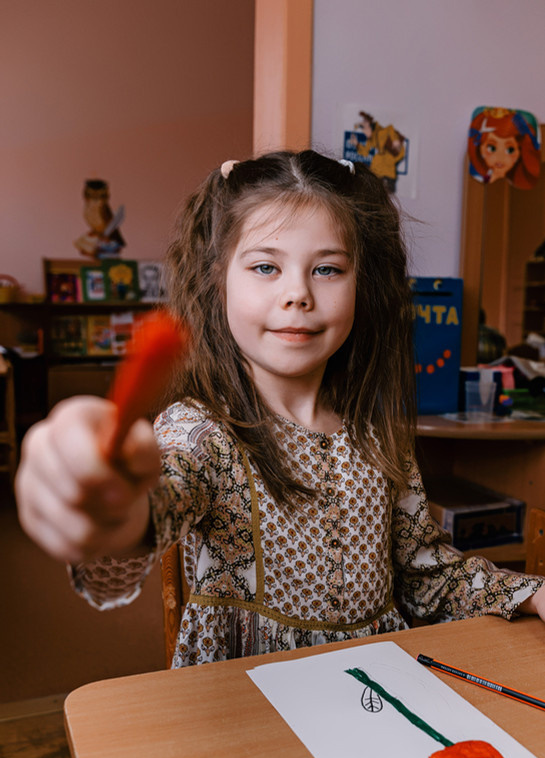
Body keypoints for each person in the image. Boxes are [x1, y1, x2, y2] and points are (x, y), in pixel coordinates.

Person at [15, 150, 545, 668]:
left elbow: (426, 575)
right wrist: (107, 506)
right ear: (217, 279)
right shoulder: (201, 431)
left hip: (375, 701)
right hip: (247, 715)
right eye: (266, 266)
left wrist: (532, 593)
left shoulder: (376, 433)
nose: (297, 294)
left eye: (329, 270)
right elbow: (150, 508)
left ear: (364, 284)